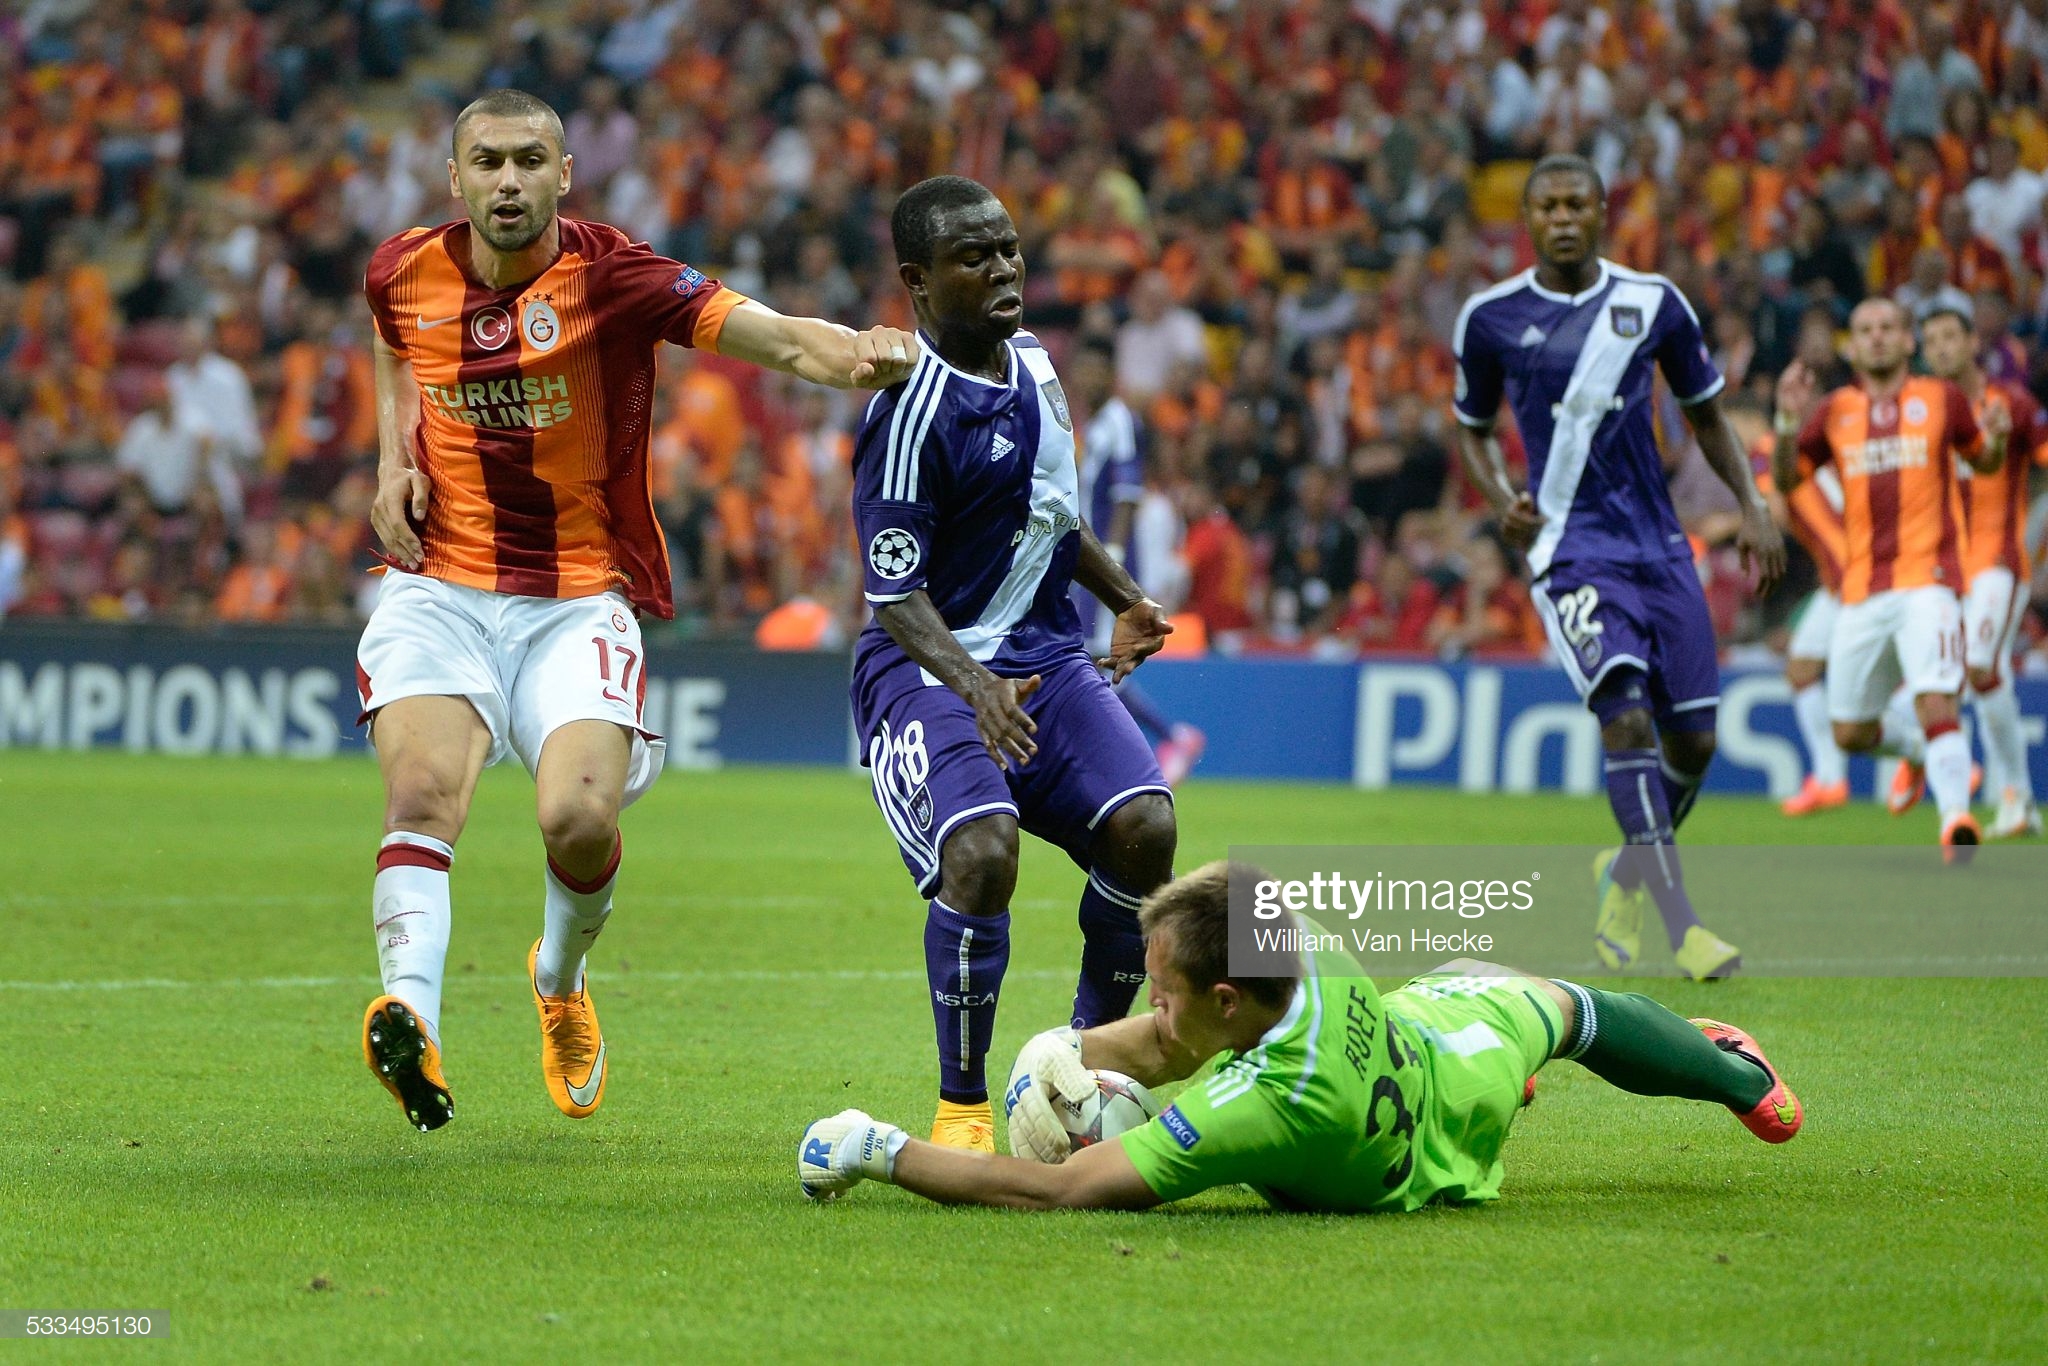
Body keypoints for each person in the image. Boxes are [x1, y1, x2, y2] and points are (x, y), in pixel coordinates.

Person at [355, 89, 918, 1132]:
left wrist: (864, 352)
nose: (509, 181)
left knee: (576, 819)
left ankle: (558, 979)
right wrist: (392, 461)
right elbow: (394, 343)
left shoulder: (614, 277)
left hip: (574, 596)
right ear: (455, 180)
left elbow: (783, 342)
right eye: (488, 162)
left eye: (530, 160)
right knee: (424, 793)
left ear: (565, 175)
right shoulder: (401, 270)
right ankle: (413, 1019)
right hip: (438, 586)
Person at [797, 861, 1801, 1212]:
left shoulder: (1266, 1103)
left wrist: (877, 1146)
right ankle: (1734, 1077)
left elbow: (1058, 1188)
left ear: (1227, 1001)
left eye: (1162, 989)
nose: (1152, 1004)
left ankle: (1723, 1065)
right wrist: (1073, 1058)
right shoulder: (1291, 933)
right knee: (1562, 1007)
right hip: (1440, 1054)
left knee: (1522, 1000)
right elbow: (1165, 1038)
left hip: (1420, 1148)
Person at [850, 175, 1178, 1151]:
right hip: (926, 666)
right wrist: (975, 684)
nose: (1000, 268)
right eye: (970, 256)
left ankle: (1086, 1062)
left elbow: (1050, 517)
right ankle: (959, 1107)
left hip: (1042, 652)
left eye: (1006, 248)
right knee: (982, 851)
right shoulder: (905, 409)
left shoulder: (1035, 362)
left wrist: (1123, 597)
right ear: (916, 281)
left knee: (1144, 828)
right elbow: (893, 597)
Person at [1450, 155, 1785, 982]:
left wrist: (1754, 504)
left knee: (1696, 742)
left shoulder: (1654, 303)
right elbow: (1472, 426)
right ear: (1527, 218)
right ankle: (1685, 928)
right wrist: (1501, 496)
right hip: (1570, 546)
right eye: (1548, 206)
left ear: (1603, 211)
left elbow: (1707, 414)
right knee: (1627, 723)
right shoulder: (1491, 318)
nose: (1563, 217)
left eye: (1578, 203)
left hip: (1660, 546)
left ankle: (1623, 868)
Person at [1772, 298, 2009, 857]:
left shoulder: (1941, 398)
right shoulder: (1834, 410)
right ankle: (1920, 754)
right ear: (1851, 346)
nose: (1876, 338)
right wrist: (1785, 422)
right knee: (1849, 732)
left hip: (1929, 580)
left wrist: (1995, 441)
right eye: (1864, 330)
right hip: (1860, 591)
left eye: (1888, 329)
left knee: (1936, 702)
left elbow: (1986, 462)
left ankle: (1956, 821)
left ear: (1908, 341)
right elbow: (1788, 478)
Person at [1917, 305, 2047, 838]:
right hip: (1945, 568)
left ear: (1972, 341)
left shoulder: (2010, 403)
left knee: (1975, 664)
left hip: (1998, 559)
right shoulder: (1922, 412)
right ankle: (2018, 802)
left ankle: (2012, 796)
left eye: (1951, 336)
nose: (1942, 347)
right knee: (1981, 675)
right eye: (1932, 340)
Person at [1068, 336, 1205, 785]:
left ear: (1111, 376)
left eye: (1093, 371)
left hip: (1109, 560)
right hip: (1094, 559)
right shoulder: (1098, 426)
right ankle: (1159, 741)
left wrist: (1117, 555)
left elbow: (1127, 496)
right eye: (1080, 372)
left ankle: (1167, 737)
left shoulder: (1120, 422)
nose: (1085, 381)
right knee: (1090, 656)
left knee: (1097, 655)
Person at [1760, 441, 1852, 817]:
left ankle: (1939, 752)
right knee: (1800, 670)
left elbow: (1776, 512)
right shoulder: (1807, 453)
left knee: (1875, 692)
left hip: (1854, 581)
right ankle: (1829, 778)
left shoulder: (1772, 454)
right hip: (1839, 582)